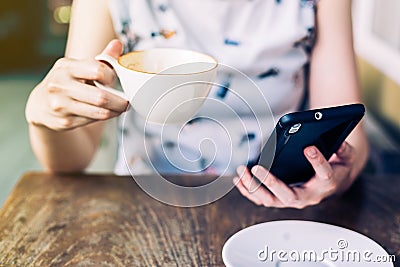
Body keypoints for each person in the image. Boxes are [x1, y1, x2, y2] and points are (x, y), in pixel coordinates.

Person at [25, 0, 368, 209]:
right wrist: (44, 119)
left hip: (279, 204)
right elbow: (73, 158)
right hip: (144, 202)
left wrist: (337, 174)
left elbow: (348, 132)